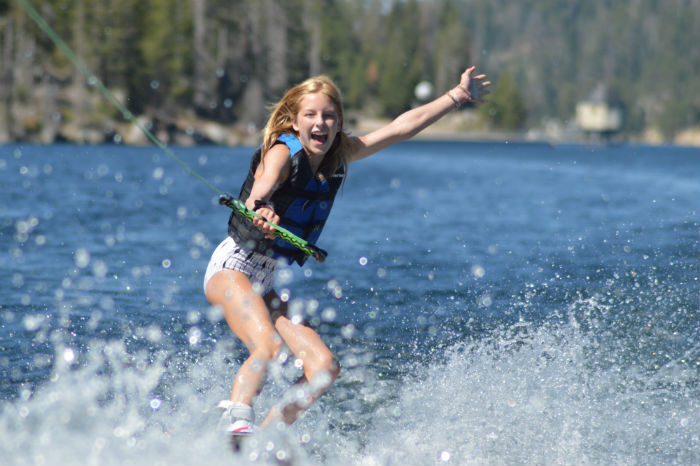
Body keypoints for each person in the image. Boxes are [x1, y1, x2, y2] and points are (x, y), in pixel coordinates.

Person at [203, 66, 490, 435]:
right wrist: (261, 207)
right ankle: (237, 418)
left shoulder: (340, 156)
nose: (320, 123)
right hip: (232, 267)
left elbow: (401, 128)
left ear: (339, 123)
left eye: (329, 116)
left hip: (264, 280)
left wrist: (457, 96)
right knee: (268, 346)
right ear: (293, 121)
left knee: (323, 367)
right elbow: (262, 185)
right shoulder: (280, 150)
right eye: (310, 115)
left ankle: (268, 440)